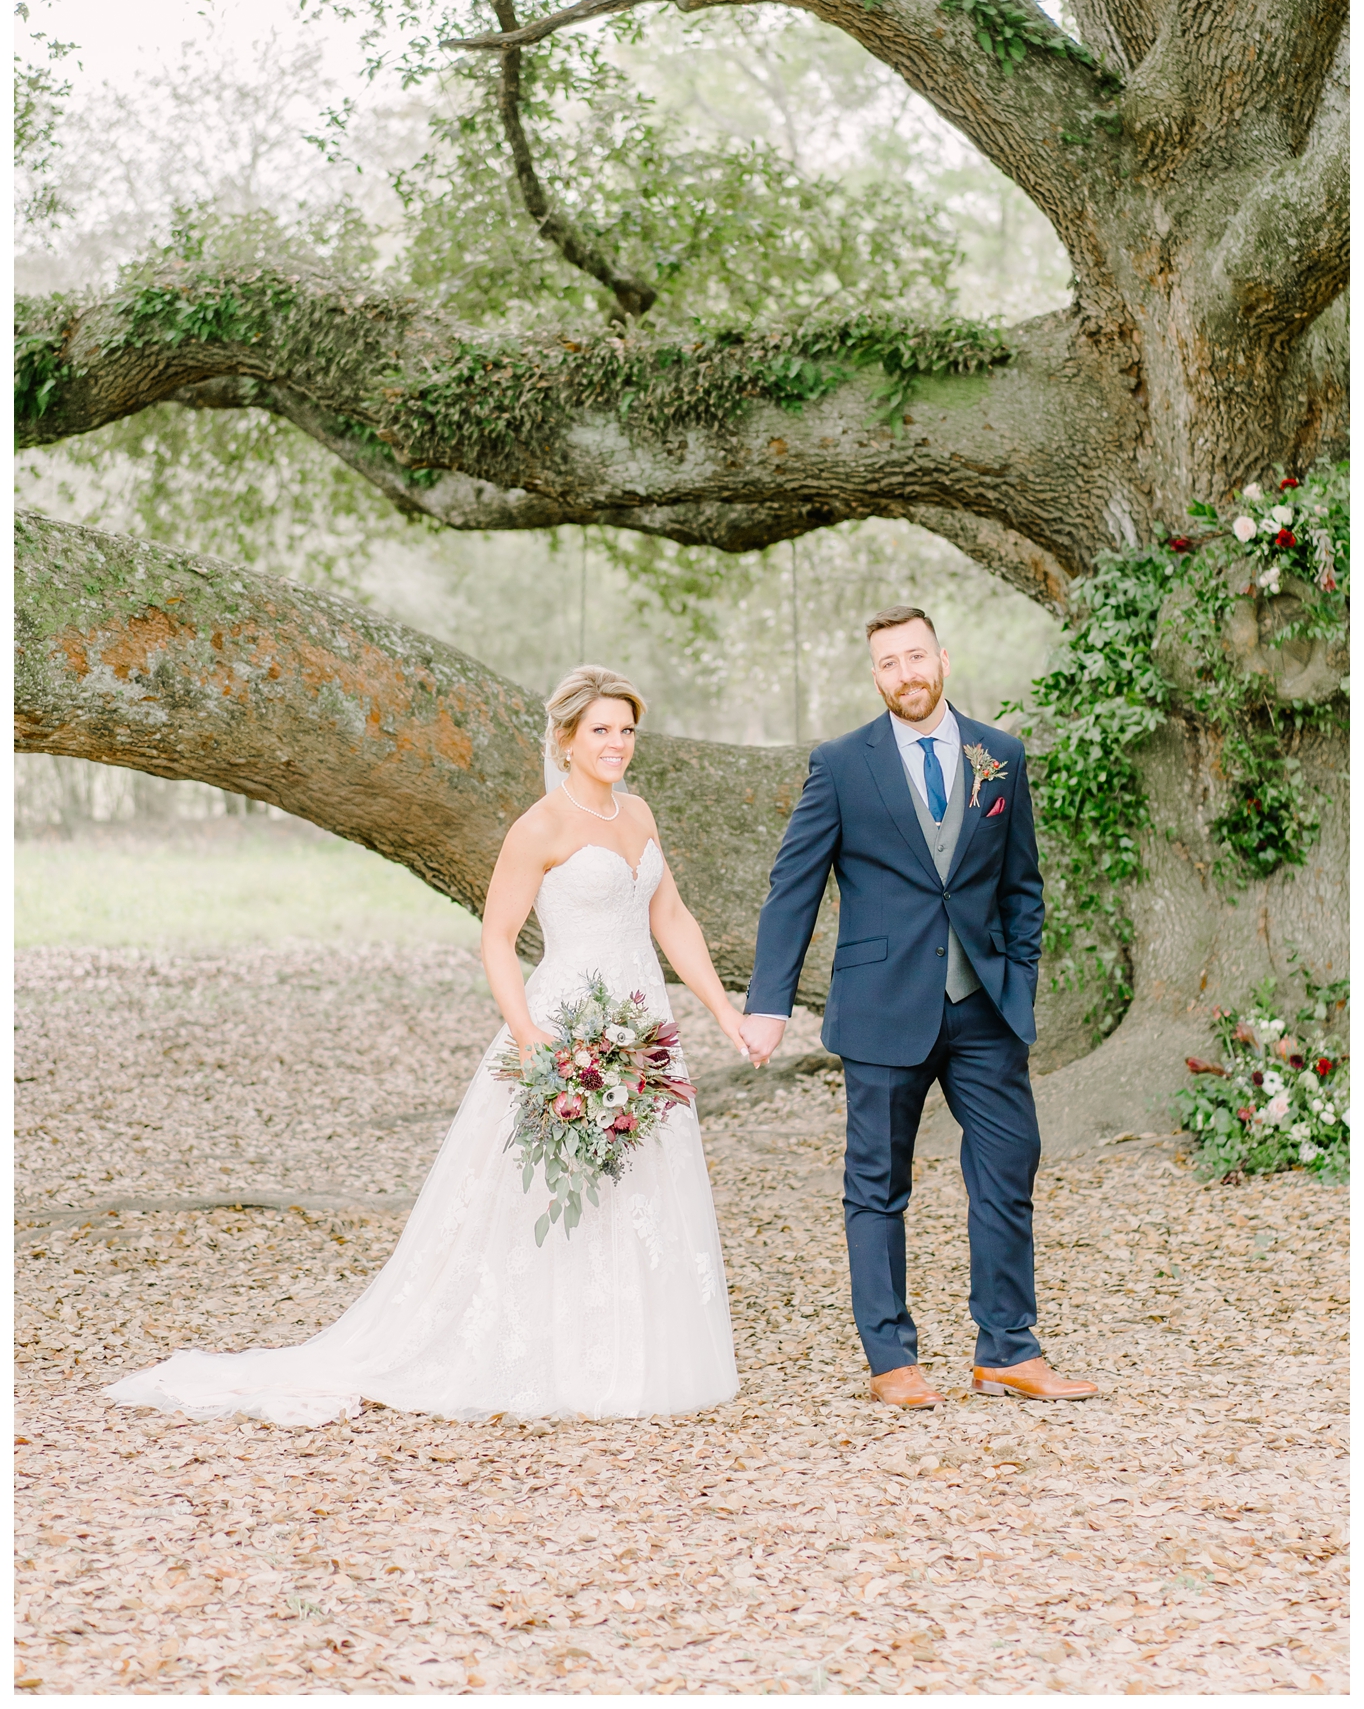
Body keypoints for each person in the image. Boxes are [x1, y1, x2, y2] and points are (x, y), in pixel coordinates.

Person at [105, 666, 745, 1426]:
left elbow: (672, 919)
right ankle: (550, 1355)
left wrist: (724, 1012)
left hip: (640, 1030)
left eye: (627, 730)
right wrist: (531, 1036)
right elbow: (499, 938)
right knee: (546, 1188)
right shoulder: (539, 826)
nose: (616, 744)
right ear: (567, 738)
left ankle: (632, 1357)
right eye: (601, 730)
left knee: (638, 1184)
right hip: (565, 1026)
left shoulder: (638, 815)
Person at [740, 608, 1096, 1408]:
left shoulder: (999, 756)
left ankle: (1007, 1348)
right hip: (880, 1007)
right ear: (876, 677)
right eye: (888, 663)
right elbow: (793, 889)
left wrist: (1017, 980)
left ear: (942, 659)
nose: (906, 673)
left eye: (916, 656)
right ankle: (891, 1359)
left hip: (984, 1009)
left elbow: (1022, 887)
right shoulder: (840, 765)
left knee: (1009, 1169)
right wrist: (768, 1003)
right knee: (877, 1185)